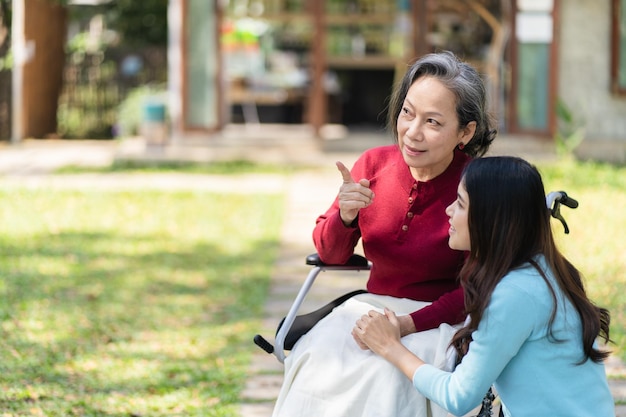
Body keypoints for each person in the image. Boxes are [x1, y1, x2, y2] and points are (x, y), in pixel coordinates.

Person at [272, 51, 497, 417]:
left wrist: (405, 326)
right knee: (318, 356)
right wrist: (345, 217)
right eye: (407, 113)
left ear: (465, 132)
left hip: (441, 320)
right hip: (372, 307)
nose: (412, 131)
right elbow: (329, 256)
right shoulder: (373, 164)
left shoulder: (479, 185)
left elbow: (479, 287)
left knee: (388, 376)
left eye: (433, 122)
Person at [353, 156, 614, 417]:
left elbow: (458, 396)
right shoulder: (546, 268)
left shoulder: (515, 294)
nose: (449, 210)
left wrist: (389, 346)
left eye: (461, 204)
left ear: (491, 220)